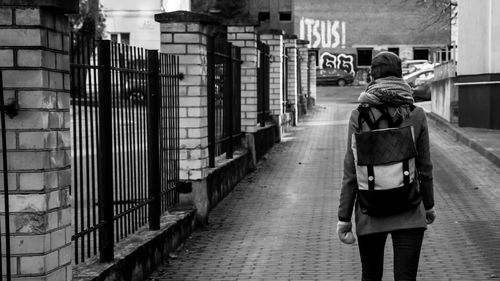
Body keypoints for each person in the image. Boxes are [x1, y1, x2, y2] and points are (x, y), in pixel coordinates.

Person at [336, 51, 436, 281]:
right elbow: (425, 167)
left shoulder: (359, 116)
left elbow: (351, 172)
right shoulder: (416, 114)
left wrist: (344, 218)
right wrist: (428, 206)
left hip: (369, 212)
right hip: (410, 210)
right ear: (400, 76)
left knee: (371, 275)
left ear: (373, 77)